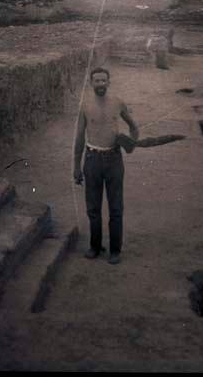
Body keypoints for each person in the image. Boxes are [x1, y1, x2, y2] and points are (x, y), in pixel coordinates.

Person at [73, 67, 139, 265]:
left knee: (115, 207)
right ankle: (95, 246)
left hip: (114, 161)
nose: (100, 84)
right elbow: (78, 138)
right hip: (92, 159)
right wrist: (77, 166)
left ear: (108, 82)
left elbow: (133, 126)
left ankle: (115, 250)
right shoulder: (84, 105)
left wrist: (131, 143)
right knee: (93, 208)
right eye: (97, 81)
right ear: (91, 83)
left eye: (103, 81)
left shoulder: (118, 102)